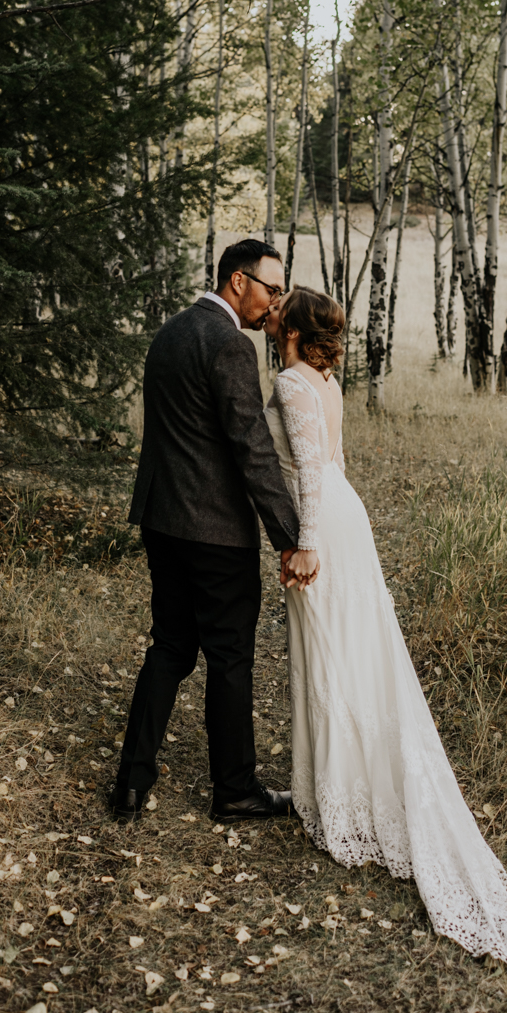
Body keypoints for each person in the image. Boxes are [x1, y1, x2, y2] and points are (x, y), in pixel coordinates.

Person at [264, 286, 507, 973]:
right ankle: (337, 787)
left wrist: (304, 543)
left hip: (323, 526)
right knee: (351, 652)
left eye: (279, 313)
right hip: (343, 516)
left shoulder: (292, 381)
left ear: (294, 330)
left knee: (331, 654)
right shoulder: (324, 381)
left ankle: (341, 802)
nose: (270, 318)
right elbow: (336, 465)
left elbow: (307, 471)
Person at [111, 239, 314, 825]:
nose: (275, 303)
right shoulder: (228, 344)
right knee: (230, 658)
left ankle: (131, 783)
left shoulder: (170, 332)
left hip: (161, 519)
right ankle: (235, 791)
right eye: (271, 290)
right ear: (237, 282)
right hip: (215, 532)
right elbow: (252, 450)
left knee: (170, 647)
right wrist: (291, 537)